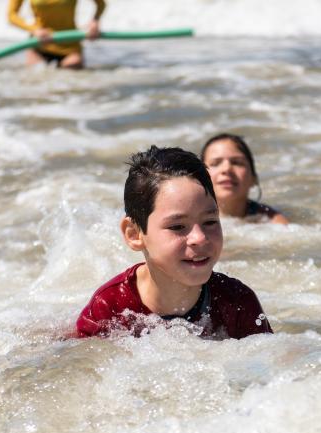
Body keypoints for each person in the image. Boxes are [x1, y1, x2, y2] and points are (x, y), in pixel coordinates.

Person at [76, 146, 273, 339]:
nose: (200, 238)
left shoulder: (237, 303)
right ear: (134, 234)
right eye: (178, 227)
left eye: (210, 222)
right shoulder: (109, 310)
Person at [200, 134, 289, 224]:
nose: (226, 169)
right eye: (215, 163)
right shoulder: (189, 216)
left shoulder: (273, 221)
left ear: (254, 178)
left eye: (237, 162)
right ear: (200, 178)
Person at [7, 0, 106, 69]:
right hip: (39, 44)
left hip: (69, 46)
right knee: (35, 84)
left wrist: (95, 21)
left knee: (72, 80)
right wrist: (34, 30)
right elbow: (12, 15)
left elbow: (101, 4)